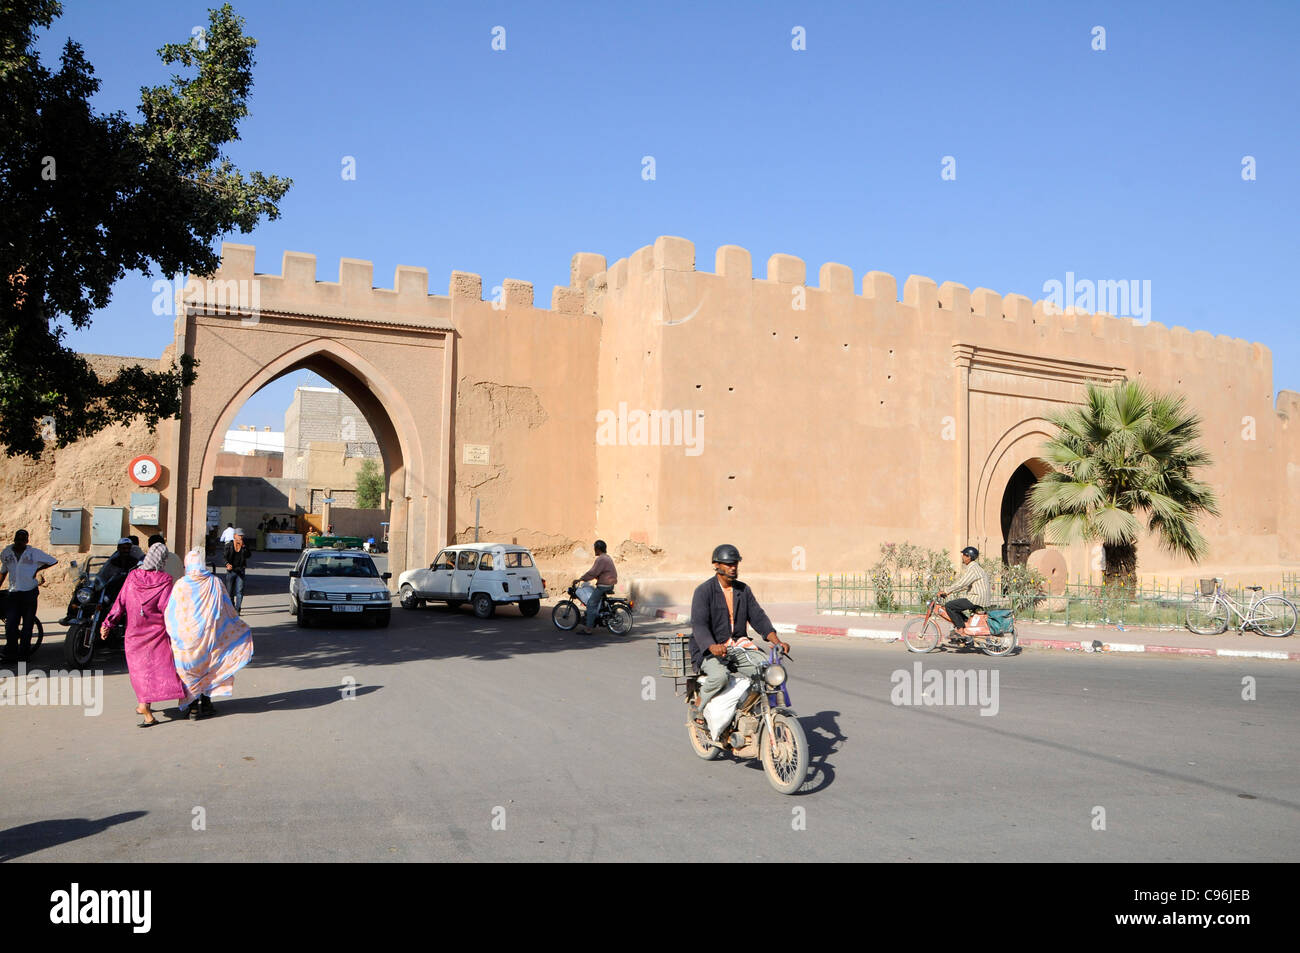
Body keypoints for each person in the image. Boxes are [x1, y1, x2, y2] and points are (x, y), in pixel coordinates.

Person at [689, 544, 789, 713]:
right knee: (720, 677)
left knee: (768, 672)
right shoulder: (704, 591)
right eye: (729, 564)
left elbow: (758, 617)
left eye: (735, 564)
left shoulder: (743, 590)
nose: (733, 568)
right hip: (709, 651)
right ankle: (699, 705)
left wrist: (777, 641)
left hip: (737, 647)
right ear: (717, 565)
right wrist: (711, 646)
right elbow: (699, 624)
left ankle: (747, 710)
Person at [101, 543, 189, 727]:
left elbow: (120, 602)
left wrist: (108, 623)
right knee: (164, 666)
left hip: (134, 633)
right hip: (157, 633)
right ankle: (177, 701)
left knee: (140, 671)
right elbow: (167, 608)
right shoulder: (165, 580)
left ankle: (144, 705)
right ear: (162, 560)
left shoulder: (132, 576)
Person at [165, 550, 254, 719]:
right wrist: (237, 627)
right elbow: (227, 608)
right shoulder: (215, 582)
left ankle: (192, 707)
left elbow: (171, 613)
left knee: (189, 670)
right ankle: (206, 703)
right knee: (209, 668)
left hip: (186, 640)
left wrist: (175, 634)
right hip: (210, 637)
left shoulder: (181, 584)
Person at [0, 530, 57, 662]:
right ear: (14, 540)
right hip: (13, 593)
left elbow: (53, 561)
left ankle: (24, 654)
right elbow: (3, 571)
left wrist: (37, 569)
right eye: (18, 539)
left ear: (27, 541)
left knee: (27, 625)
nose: (20, 542)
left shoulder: (34, 553)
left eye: (22, 540)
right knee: (11, 625)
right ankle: (11, 653)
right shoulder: (6, 553)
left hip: (29, 593)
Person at [938, 546, 993, 638]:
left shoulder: (973, 569)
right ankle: (965, 626)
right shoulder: (975, 567)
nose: (962, 557)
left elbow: (962, 582)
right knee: (956, 606)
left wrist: (946, 590)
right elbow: (966, 586)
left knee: (949, 606)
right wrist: (949, 592)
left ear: (969, 557)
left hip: (976, 598)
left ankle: (960, 629)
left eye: (964, 555)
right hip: (979, 598)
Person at [575, 540, 617, 634]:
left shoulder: (601, 559)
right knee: (596, 599)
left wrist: (580, 579)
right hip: (610, 584)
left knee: (591, 604)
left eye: (595, 548)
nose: (594, 550)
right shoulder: (607, 557)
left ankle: (588, 629)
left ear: (598, 549)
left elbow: (593, 572)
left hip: (604, 585)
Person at [223, 528, 251, 614]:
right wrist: (227, 564)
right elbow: (224, 557)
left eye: (242, 536)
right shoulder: (229, 545)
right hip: (231, 571)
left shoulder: (244, 545)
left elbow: (248, 555)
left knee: (240, 591)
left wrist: (244, 547)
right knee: (230, 591)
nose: (241, 537)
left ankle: (237, 609)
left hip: (240, 571)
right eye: (239, 535)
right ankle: (231, 607)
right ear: (235, 536)